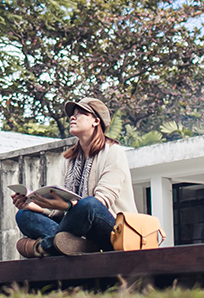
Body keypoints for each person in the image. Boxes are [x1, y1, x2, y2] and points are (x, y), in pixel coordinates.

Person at [13, 97, 137, 257]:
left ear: (96, 121)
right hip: (77, 229)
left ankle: (45, 246)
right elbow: (64, 212)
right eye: (72, 114)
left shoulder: (114, 152)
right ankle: (77, 246)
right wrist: (34, 204)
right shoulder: (69, 159)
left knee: (89, 203)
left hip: (113, 231)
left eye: (81, 113)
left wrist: (68, 207)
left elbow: (101, 203)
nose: (72, 117)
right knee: (24, 216)